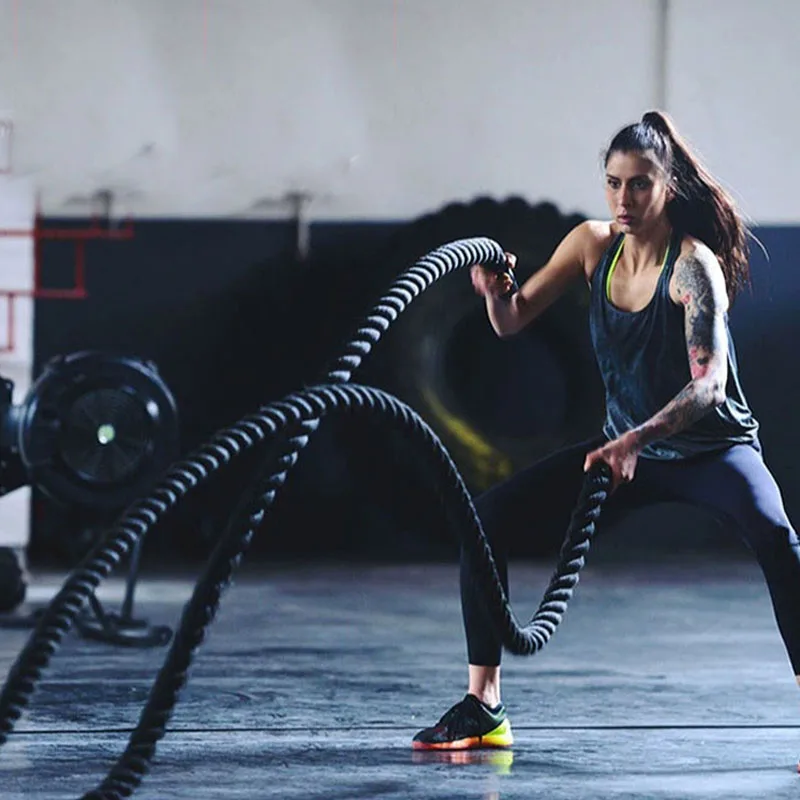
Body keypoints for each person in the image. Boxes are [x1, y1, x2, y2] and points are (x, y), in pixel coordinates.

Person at [411, 110, 800, 770]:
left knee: (776, 537)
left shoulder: (692, 268)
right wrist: (494, 294)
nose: (625, 199)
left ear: (668, 188)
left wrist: (635, 439)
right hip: (625, 453)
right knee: (487, 520)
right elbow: (512, 320)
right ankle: (484, 707)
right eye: (614, 183)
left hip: (712, 451)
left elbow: (709, 386)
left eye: (640, 184)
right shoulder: (593, 245)